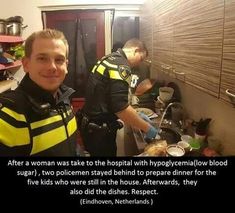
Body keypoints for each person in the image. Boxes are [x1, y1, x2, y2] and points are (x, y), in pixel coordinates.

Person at [0, 29, 79, 156]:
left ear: (66, 65)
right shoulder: (10, 115)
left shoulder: (64, 99)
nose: (52, 67)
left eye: (59, 60)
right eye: (42, 58)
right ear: (26, 64)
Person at [77, 38, 159, 156]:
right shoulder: (121, 65)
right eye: (141, 59)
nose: (139, 64)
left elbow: (110, 99)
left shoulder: (109, 58)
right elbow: (121, 109)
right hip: (99, 132)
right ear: (136, 50)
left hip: (91, 127)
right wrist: (147, 128)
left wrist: (136, 115)